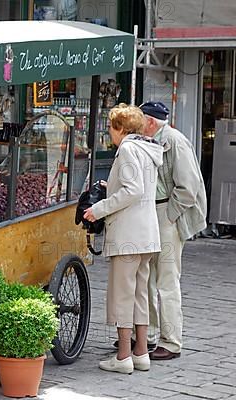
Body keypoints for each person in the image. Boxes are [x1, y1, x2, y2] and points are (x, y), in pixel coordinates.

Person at [83, 104, 163, 374]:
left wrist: (99, 209)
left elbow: (133, 190)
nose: (109, 132)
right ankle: (141, 353)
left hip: (129, 233)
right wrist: (111, 187)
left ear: (121, 128)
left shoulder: (127, 149)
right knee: (139, 294)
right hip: (147, 233)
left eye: (110, 127)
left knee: (122, 296)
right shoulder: (148, 148)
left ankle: (123, 357)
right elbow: (138, 187)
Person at [139, 101, 207, 361]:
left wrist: (169, 217)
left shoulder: (174, 141)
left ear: (151, 122)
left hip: (166, 212)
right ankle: (149, 335)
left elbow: (188, 188)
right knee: (147, 278)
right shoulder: (150, 138)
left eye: (139, 120)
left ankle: (171, 342)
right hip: (152, 212)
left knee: (166, 281)